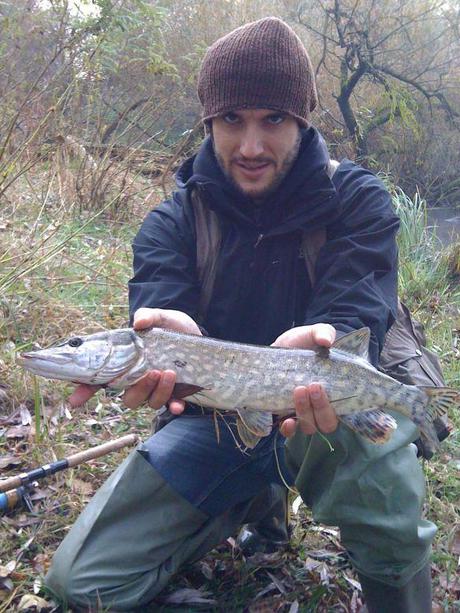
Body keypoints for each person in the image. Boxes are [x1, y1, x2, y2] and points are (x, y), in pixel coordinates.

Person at [45, 17, 435, 612]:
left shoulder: (358, 199)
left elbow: (360, 303)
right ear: (209, 121)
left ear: (302, 120)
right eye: (232, 120)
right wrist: (164, 327)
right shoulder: (171, 221)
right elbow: (158, 299)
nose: (251, 146)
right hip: (220, 421)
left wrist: (325, 334)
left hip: (325, 410)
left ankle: (397, 594)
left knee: (378, 484)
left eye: (272, 119)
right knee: (81, 585)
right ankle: (250, 508)